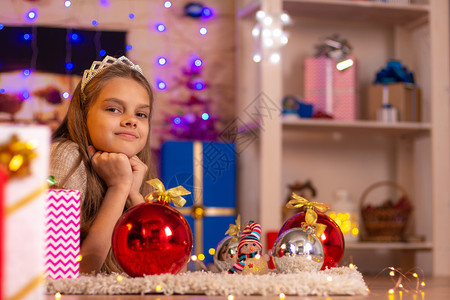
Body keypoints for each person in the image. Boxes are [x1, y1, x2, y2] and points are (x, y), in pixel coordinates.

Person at [50, 55, 154, 274]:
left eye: (141, 114)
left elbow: (168, 271)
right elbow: (64, 276)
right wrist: (118, 188)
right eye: (114, 109)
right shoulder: (65, 156)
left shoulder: (135, 170)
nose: (131, 120)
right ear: (83, 112)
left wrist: (135, 197)